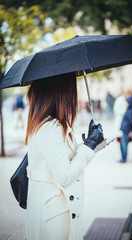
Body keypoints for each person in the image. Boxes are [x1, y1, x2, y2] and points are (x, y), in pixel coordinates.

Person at [25, 73, 104, 240]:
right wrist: (89, 145)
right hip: (54, 218)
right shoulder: (49, 127)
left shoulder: (51, 124)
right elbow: (65, 176)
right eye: (71, 88)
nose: (73, 95)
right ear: (60, 92)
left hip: (55, 211)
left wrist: (91, 145)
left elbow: (65, 161)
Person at [119, 97, 132, 163]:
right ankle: (123, 157)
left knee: (124, 144)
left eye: (127, 102)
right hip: (125, 129)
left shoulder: (130, 111)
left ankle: (124, 158)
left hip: (126, 129)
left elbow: (131, 121)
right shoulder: (128, 110)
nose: (126, 103)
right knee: (123, 143)